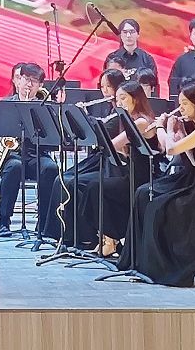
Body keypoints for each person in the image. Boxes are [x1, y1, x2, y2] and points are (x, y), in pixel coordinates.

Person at [117, 80, 195, 286]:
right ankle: (137, 261)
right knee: (143, 193)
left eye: (185, 103)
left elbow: (170, 150)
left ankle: (160, 266)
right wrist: (179, 133)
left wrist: (163, 127)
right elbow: (193, 160)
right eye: (180, 103)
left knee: (157, 206)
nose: (181, 108)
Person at [70, 80, 156, 257]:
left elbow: (112, 145)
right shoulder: (129, 120)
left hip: (143, 178)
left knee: (96, 188)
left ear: (136, 99)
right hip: (131, 175)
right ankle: (108, 238)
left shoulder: (140, 121)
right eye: (117, 99)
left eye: (123, 98)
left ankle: (111, 239)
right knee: (96, 187)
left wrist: (92, 124)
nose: (119, 103)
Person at [0, 62, 65, 241]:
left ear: (41, 85)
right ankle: (4, 221)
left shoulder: (46, 108)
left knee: (50, 168)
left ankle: (44, 224)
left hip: (37, 154)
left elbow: (55, 139)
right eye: (26, 79)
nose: (29, 84)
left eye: (34, 81)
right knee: (14, 167)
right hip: (12, 156)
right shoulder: (4, 105)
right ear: (18, 81)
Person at [100, 19, 162, 98]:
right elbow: (105, 82)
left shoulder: (147, 59)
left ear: (138, 34)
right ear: (120, 35)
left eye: (132, 32)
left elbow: (154, 85)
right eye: (125, 32)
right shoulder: (112, 58)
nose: (128, 35)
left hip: (141, 101)